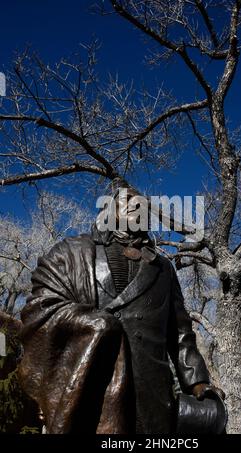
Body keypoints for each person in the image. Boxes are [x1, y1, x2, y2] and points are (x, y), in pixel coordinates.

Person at [19, 178, 224, 434]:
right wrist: (95, 324)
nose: (134, 206)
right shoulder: (71, 253)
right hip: (93, 391)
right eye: (125, 201)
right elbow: (39, 309)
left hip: (151, 397)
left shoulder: (163, 268)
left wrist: (199, 384)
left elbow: (181, 334)